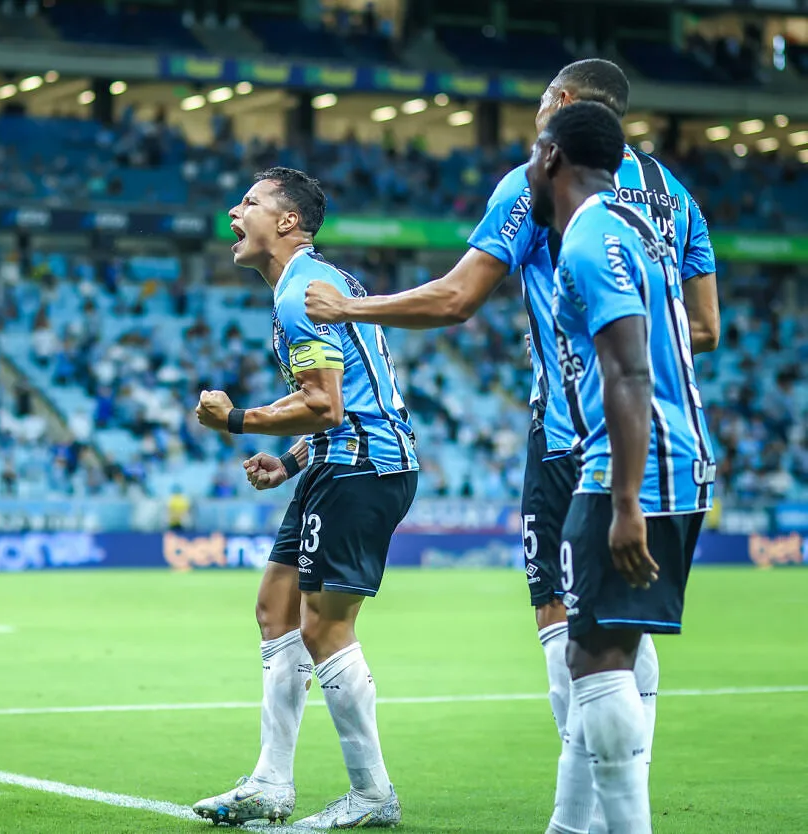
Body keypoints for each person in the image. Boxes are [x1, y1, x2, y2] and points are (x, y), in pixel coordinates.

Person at [302, 59, 718, 826]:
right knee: (620, 637)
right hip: (665, 441)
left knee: (575, 648)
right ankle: (588, 814)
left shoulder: (551, 197)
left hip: (577, 441)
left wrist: (351, 310)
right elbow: (706, 329)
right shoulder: (672, 199)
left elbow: (459, 297)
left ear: (556, 113)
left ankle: (597, 817)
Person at [191, 167, 418, 829]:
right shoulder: (319, 283)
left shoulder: (301, 293)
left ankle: (373, 794)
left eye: (251, 203)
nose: (235, 212)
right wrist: (289, 463)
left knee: (323, 625)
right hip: (338, 462)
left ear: (287, 221)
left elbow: (325, 404)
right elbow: (340, 400)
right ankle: (269, 781)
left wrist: (236, 420)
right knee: (276, 608)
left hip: (361, 467)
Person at [526, 101, 714, 834]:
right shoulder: (636, 225)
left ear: (551, 158)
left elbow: (630, 371)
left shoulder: (589, 237)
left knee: (595, 655)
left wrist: (626, 499)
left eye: (533, 156)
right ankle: (571, 827)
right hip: (668, 459)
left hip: (630, 468)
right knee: (597, 650)